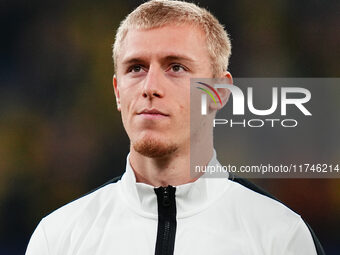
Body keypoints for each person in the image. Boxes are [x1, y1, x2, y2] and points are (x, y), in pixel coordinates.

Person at [26, 0, 324, 254]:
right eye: (136, 68)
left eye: (176, 67)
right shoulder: (58, 238)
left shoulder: (280, 237)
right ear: (118, 92)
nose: (150, 87)